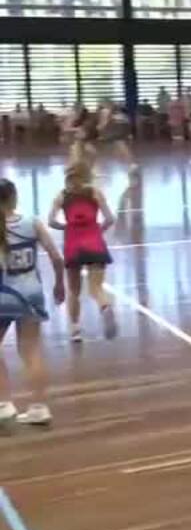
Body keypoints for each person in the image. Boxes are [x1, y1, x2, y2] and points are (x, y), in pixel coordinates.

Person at [0, 178, 66, 426]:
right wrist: (59, 284)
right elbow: (56, 257)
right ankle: (39, 407)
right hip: (32, 294)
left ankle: (4, 403)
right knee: (31, 352)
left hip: (4, 294)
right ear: (14, 197)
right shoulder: (32, 222)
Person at [47, 160, 116, 342]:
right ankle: (105, 307)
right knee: (96, 288)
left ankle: (75, 330)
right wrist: (98, 230)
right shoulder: (95, 193)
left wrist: (66, 227)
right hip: (95, 243)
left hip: (73, 245)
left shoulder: (61, 196)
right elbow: (110, 219)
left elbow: (50, 221)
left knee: (74, 290)